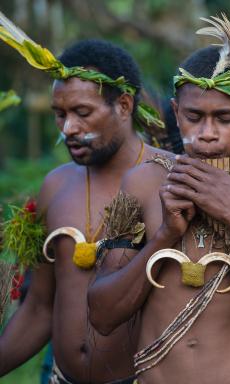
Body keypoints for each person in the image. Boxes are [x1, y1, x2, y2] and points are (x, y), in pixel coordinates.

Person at [87, 1, 230, 383]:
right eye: (194, 117)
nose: (207, 133)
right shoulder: (143, 183)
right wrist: (166, 235)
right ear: (175, 112)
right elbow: (102, 315)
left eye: (224, 118)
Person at [0, 16, 166, 383]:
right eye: (60, 114)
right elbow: (41, 307)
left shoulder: (172, 178)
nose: (68, 129)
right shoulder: (56, 186)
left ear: (124, 106)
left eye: (82, 113)